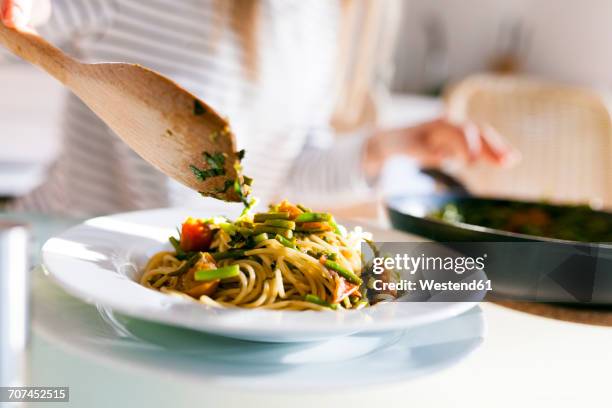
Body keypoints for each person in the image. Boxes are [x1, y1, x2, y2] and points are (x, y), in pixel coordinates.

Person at [1, 0, 518, 216]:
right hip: (55, 261)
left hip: (175, 291)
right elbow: (40, 12)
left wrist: (394, 146)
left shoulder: (324, 21)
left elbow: (283, 170)